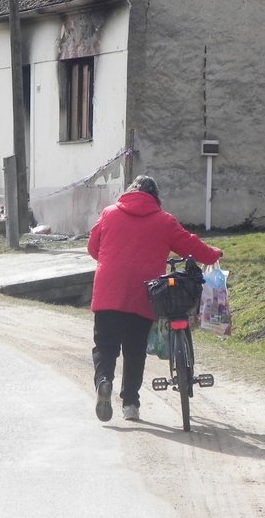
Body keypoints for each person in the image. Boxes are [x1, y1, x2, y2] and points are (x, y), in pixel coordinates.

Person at [87, 175, 223, 423]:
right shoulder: (164, 220)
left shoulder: (109, 213)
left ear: (129, 192)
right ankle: (130, 405)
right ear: (155, 197)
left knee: (105, 346)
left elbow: (93, 248)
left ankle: (104, 381)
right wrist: (213, 255)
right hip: (143, 293)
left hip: (109, 289)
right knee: (134, 349)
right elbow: (189, 245)